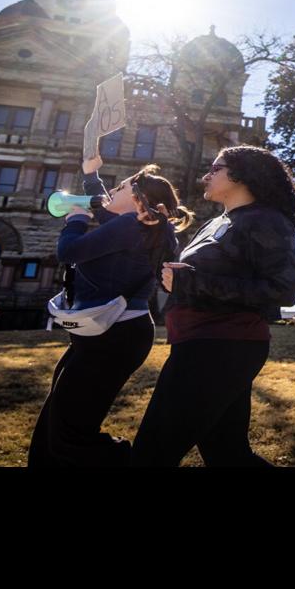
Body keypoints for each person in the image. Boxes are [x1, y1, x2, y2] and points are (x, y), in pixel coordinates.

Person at [131, 146, 295, 466]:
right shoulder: (214, 223)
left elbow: (284, 290)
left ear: (240, 174)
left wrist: (192, 282)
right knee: (229, 455)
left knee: (150, 455)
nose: (205, 176)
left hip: (224, 345)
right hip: (196, 342)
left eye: (215, 169)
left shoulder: (267, 220)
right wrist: (155, 235)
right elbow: (182, 275)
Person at [29, 155, 192, 466]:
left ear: (138, 201)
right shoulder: (139, 226)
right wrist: (92, 175)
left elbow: (70, 250)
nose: (110, 192)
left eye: (120, 186)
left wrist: (75, 219)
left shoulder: (132, 225)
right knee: (56, 422)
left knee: (69, 435)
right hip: (109, 334)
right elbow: (107, 209)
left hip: (112, 338)